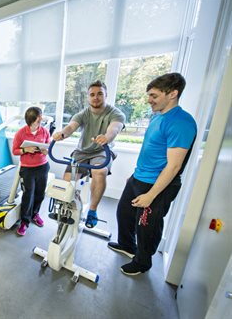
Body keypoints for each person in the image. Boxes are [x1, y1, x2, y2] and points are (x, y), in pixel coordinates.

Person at [107, 73, 197, 276]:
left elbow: (173, 167)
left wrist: (151, 195)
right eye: (149, 95)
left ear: (173, 94)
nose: (149, 100)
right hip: (139, 177)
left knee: (147, 226)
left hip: (158, 185)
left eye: (154, 95)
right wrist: (134, 176)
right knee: (124, 213)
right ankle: (127, 246)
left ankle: (142, 262)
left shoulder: (181, 122)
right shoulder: (158, 116)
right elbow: (152, 151)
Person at [52, 80, 125, 228]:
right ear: (88, 97)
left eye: (99, 94)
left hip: (102, 150)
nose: (95, 97)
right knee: (68, 178)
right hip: (82, 151)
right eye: (92, 94)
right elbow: (71, 127)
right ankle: (70, 205)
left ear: (106, 95)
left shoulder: (115, 113)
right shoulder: (83, 114)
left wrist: (107, 137)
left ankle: (92, 210)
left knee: (99, 171)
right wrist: (62, 134)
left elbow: (114, 128)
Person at [12, 107, 51, 236]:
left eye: (40, 119)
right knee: (28, 195)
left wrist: (46, 151)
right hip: (28, 169)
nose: (40, 121)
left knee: (40, 194)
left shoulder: (44, 131)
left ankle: (35, 214)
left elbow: (48, 146)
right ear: (30, 120)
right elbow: (15, 151)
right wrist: (25, 150)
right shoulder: (21, 133)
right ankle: (24, 222)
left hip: (42, 166)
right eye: (37, 120)